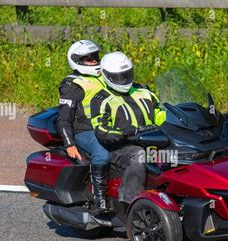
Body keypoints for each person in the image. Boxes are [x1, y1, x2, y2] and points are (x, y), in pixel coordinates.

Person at [89, 52, 167, 212]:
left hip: (152, 140)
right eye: (118, 76)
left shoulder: (144, 90)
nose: (124, 80)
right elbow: (101, 129)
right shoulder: (100, 99)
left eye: (127, 75)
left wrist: (176, 118)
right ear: (106, 75)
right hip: (121, 146)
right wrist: (125, 132)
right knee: (139, 156)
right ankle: (130, 204)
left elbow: (161, 113)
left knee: (174, 155)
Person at [56, 40, 111, 214]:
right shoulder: (73, 85)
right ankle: (100, 198)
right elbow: (63, 118)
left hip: (108, 127)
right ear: (77, 61)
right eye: (88, 59)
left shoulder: (105, 76)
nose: (94, 61)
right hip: (85, 131)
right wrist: (69, 144)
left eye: (95, 57)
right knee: (102, 154)